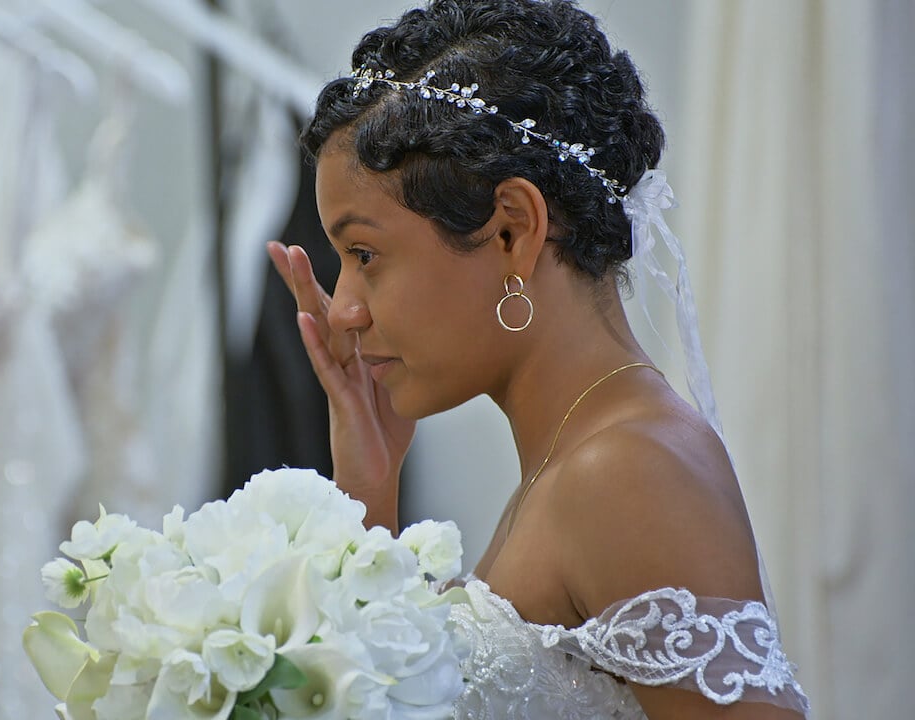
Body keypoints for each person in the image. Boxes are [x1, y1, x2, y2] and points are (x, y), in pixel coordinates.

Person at [266, 0, 811, 716]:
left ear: (512, 233)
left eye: (365, 255)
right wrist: (370, 487)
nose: (342, 309)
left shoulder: (622, 474)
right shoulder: (572, 459)